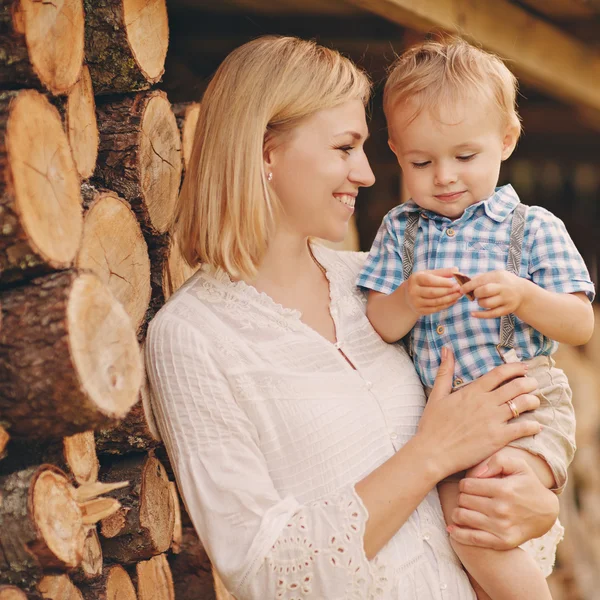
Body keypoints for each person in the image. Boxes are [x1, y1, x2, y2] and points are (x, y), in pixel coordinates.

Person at [145, 36, 563, 600]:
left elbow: (509, 420)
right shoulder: (194, 336)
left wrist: (531, 505)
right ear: (266, 152)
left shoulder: (382, 284)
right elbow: (264, 574)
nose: (366, 174)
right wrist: (429, 454)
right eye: (345, 148)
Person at [357, 38, 595, 600]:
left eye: (465, 157)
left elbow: (581, 324)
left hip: (523, 403)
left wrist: (523, 296)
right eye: (421, 161)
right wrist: (407, 300)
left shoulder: (533, 228)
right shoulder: (400, 230)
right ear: (395, 152)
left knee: (477, 516)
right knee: (460, 535)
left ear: (506, 140)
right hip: (442, 416)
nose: (444, 177)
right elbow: (380, 325)